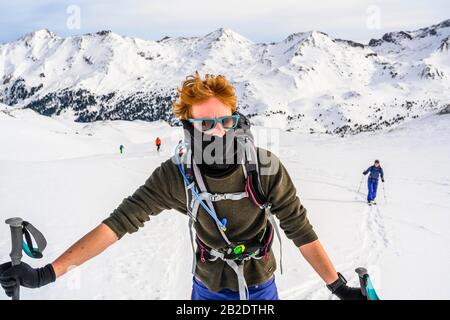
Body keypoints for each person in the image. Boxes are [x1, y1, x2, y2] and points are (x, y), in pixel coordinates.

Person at [0, 72, 365, 300]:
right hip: (206, 285)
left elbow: (300, 230)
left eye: (226, 120)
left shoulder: (263, 166)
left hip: (260, 283)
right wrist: (48, 273)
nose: (219, 130)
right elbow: (117, 224)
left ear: (239, 121)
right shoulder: (176, 175)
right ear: (189, 128)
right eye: (207, 124)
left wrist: (337, 287)